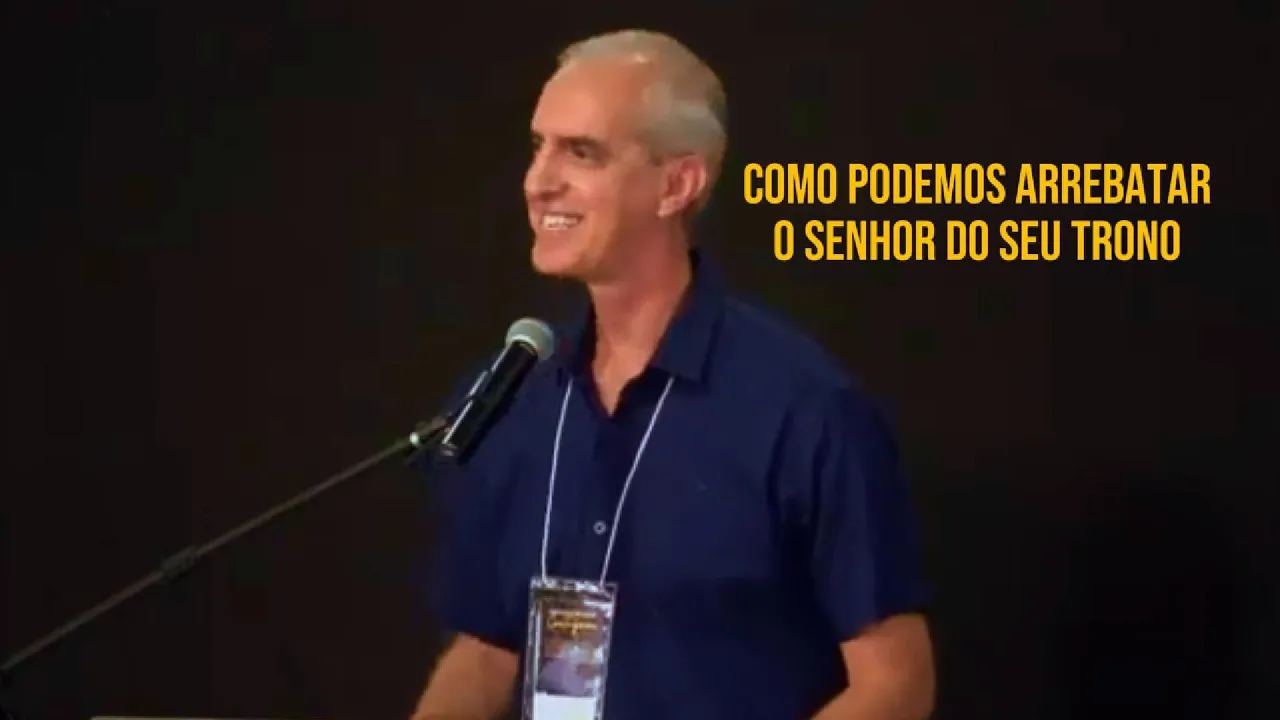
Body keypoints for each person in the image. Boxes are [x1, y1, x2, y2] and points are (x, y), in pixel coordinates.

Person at [411, 29, 935, 720]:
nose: (538, 182)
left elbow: (896, 684)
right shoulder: (512, 397)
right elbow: (485, 653)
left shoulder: (804, 410)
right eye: (539, 146)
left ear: (677, 184)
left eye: (581, 152)